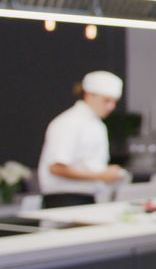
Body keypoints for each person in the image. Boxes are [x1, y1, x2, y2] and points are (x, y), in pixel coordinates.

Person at [38, 71, 126, 208]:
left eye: (114, 102)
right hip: (65, 200)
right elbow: (57, 168)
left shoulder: (96, 124)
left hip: (87, 199)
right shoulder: (69, 122)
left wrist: (105, 173)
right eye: (106, 100)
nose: (111, 107)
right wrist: (102, 175)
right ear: (89, 95)